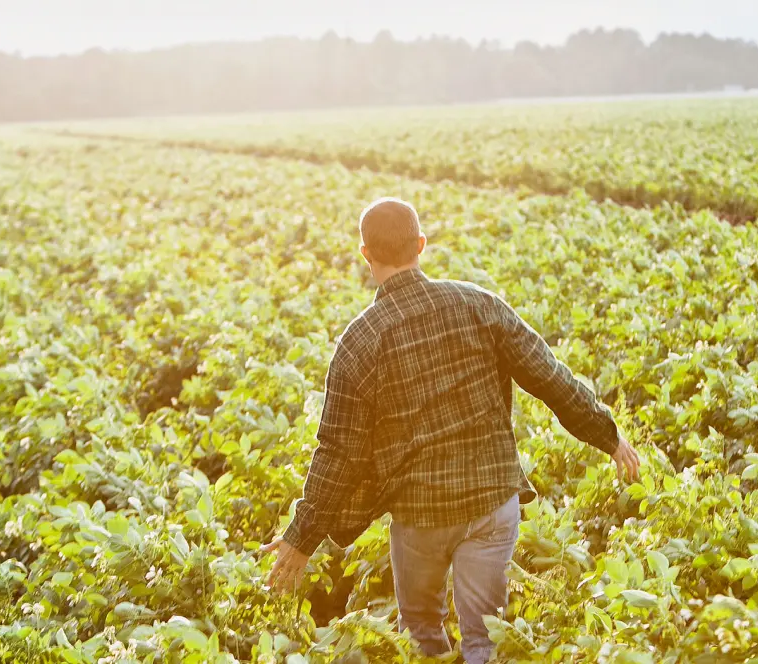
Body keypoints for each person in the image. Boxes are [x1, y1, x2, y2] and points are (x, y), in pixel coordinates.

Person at [261, 197, 641, 664]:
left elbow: (339, 452)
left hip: (421, 516)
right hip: (490, 503)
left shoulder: (360, 341)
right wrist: (608, 434)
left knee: (419, 634)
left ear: (365, 254)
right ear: (421, 244)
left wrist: (301, 537)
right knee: (486, 639)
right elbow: (549, 376)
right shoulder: (480, 305)